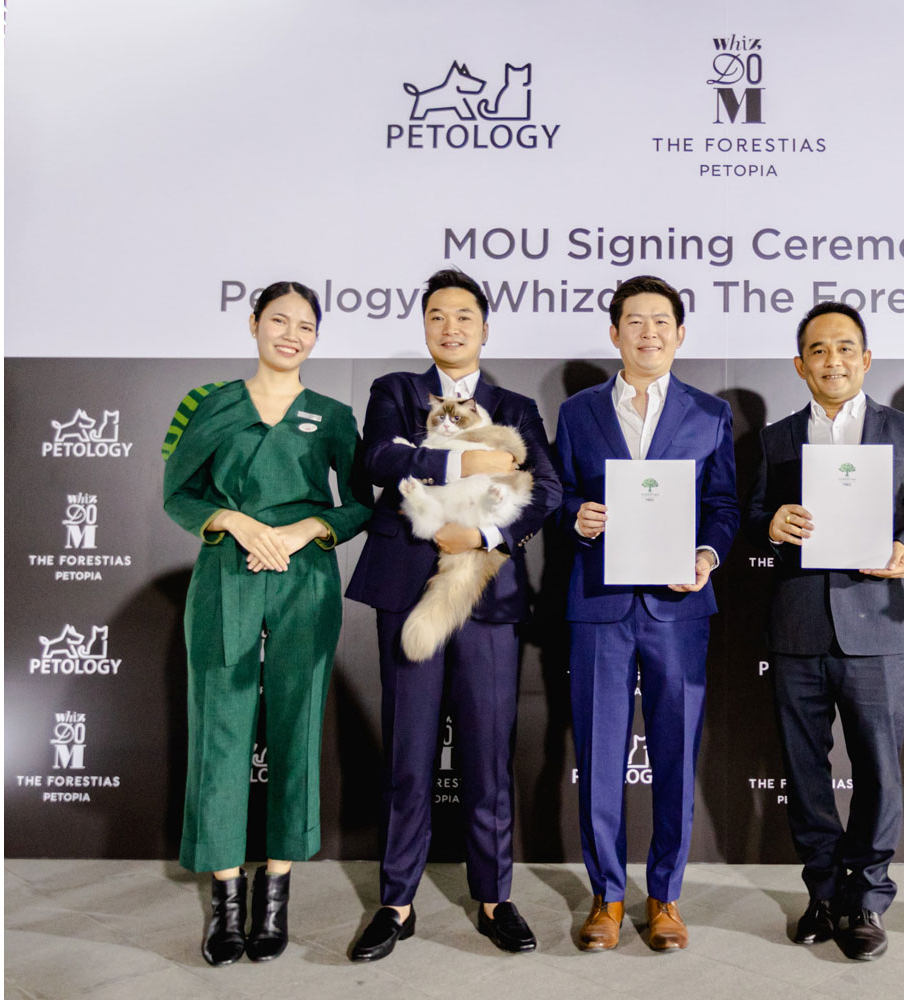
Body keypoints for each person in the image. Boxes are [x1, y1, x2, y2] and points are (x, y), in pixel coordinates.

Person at [345, 268, 562, 958]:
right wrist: (471, 461)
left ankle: (495, 897)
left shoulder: (516, 404)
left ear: (485, 328)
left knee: (488, 755)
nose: (451, 326)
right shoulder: (396, 391)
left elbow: (547, 491)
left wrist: (484, 535)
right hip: (407, 588)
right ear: (425, 326)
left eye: (464, 315)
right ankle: (396, 902)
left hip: (486, 594)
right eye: (437, 315)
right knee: (408, 755)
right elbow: (381, 459)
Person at [162, 281, 372, 966]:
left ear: (317, 338)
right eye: (279, 320)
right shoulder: (211, 404)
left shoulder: (331, 415)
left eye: (305, 326)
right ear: (254, 324)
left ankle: (274, 893)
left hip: (304, 579)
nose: (291, 335)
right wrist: (234, 520)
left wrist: (309, 527)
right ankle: (225, 899)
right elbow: (179, 493)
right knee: (219, 728)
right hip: (227, 573)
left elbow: (360, 503)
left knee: (296, 725)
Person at [746, 302, 904, 961]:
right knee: (805, 771)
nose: (831, 360)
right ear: (799, 364)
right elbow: (751, 516)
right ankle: (822, 892)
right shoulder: (777, 438)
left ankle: (865, 899)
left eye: (844, 348)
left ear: (865, 359)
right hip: (797, 627)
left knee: (879, 771)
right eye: (818, 350)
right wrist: (769, 525)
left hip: (877, 626)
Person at [553, 275, 740, 951]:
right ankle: (606, 896)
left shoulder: (709, 413)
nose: (649, 332)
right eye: (635, 321)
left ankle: (665, 896)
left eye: (661, 321)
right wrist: (576, 516)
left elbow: (723, 506)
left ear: (680, 334)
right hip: (599, 604)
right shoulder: (578, 412)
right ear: (615, 333)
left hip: (677, 606)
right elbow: (556, 494)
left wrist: (706, 556)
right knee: (599, 756)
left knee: (675, 754)